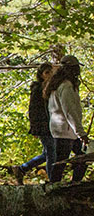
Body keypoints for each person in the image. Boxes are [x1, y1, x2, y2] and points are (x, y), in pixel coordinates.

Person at [45, 55, 88, 183]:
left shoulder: (57, 85)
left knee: (74, 159)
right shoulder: (66, 86)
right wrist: (81, 133)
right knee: (63, 162)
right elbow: (69, 111)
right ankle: (57, 187)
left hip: (64, 130)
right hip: (66, 131)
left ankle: (70, 184)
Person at [11, 62, 54, 184]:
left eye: (51, 72)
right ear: (41, 75)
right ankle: (52, 180)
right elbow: (33, 110)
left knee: (48, 153)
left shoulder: (51, 88)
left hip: (51, 125)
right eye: (47, 72)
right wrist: (34, 127)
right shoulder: (37, 89)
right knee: (51, 152)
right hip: (42, 126)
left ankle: (22, 168)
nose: (50, 75)